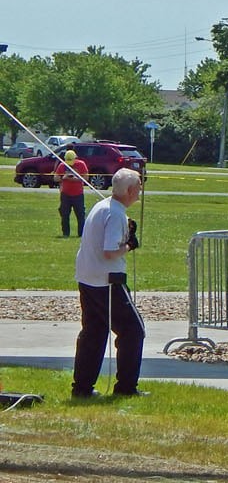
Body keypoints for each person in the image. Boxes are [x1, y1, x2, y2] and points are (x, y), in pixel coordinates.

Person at [72, 168, 146, 398]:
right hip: (108, 281)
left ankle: (82, 388)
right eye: (139, 187)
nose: (140, 192)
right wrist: (130, 245)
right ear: (130, 190)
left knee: (94, 332)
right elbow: (110, 252)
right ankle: (126, 388)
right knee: (133, 330)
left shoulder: (102, 206)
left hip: (87, 278)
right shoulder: (115, 214)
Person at [56, 148, 89, 238]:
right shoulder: (62, 165)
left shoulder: (81, 164)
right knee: (64, 214)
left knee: (80, 215)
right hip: (65, 194)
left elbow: (86, 178)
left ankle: (81, 234)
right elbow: (55, 178)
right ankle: (66, 233)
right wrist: (64, 177)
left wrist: (76, 179)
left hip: (78, 194)